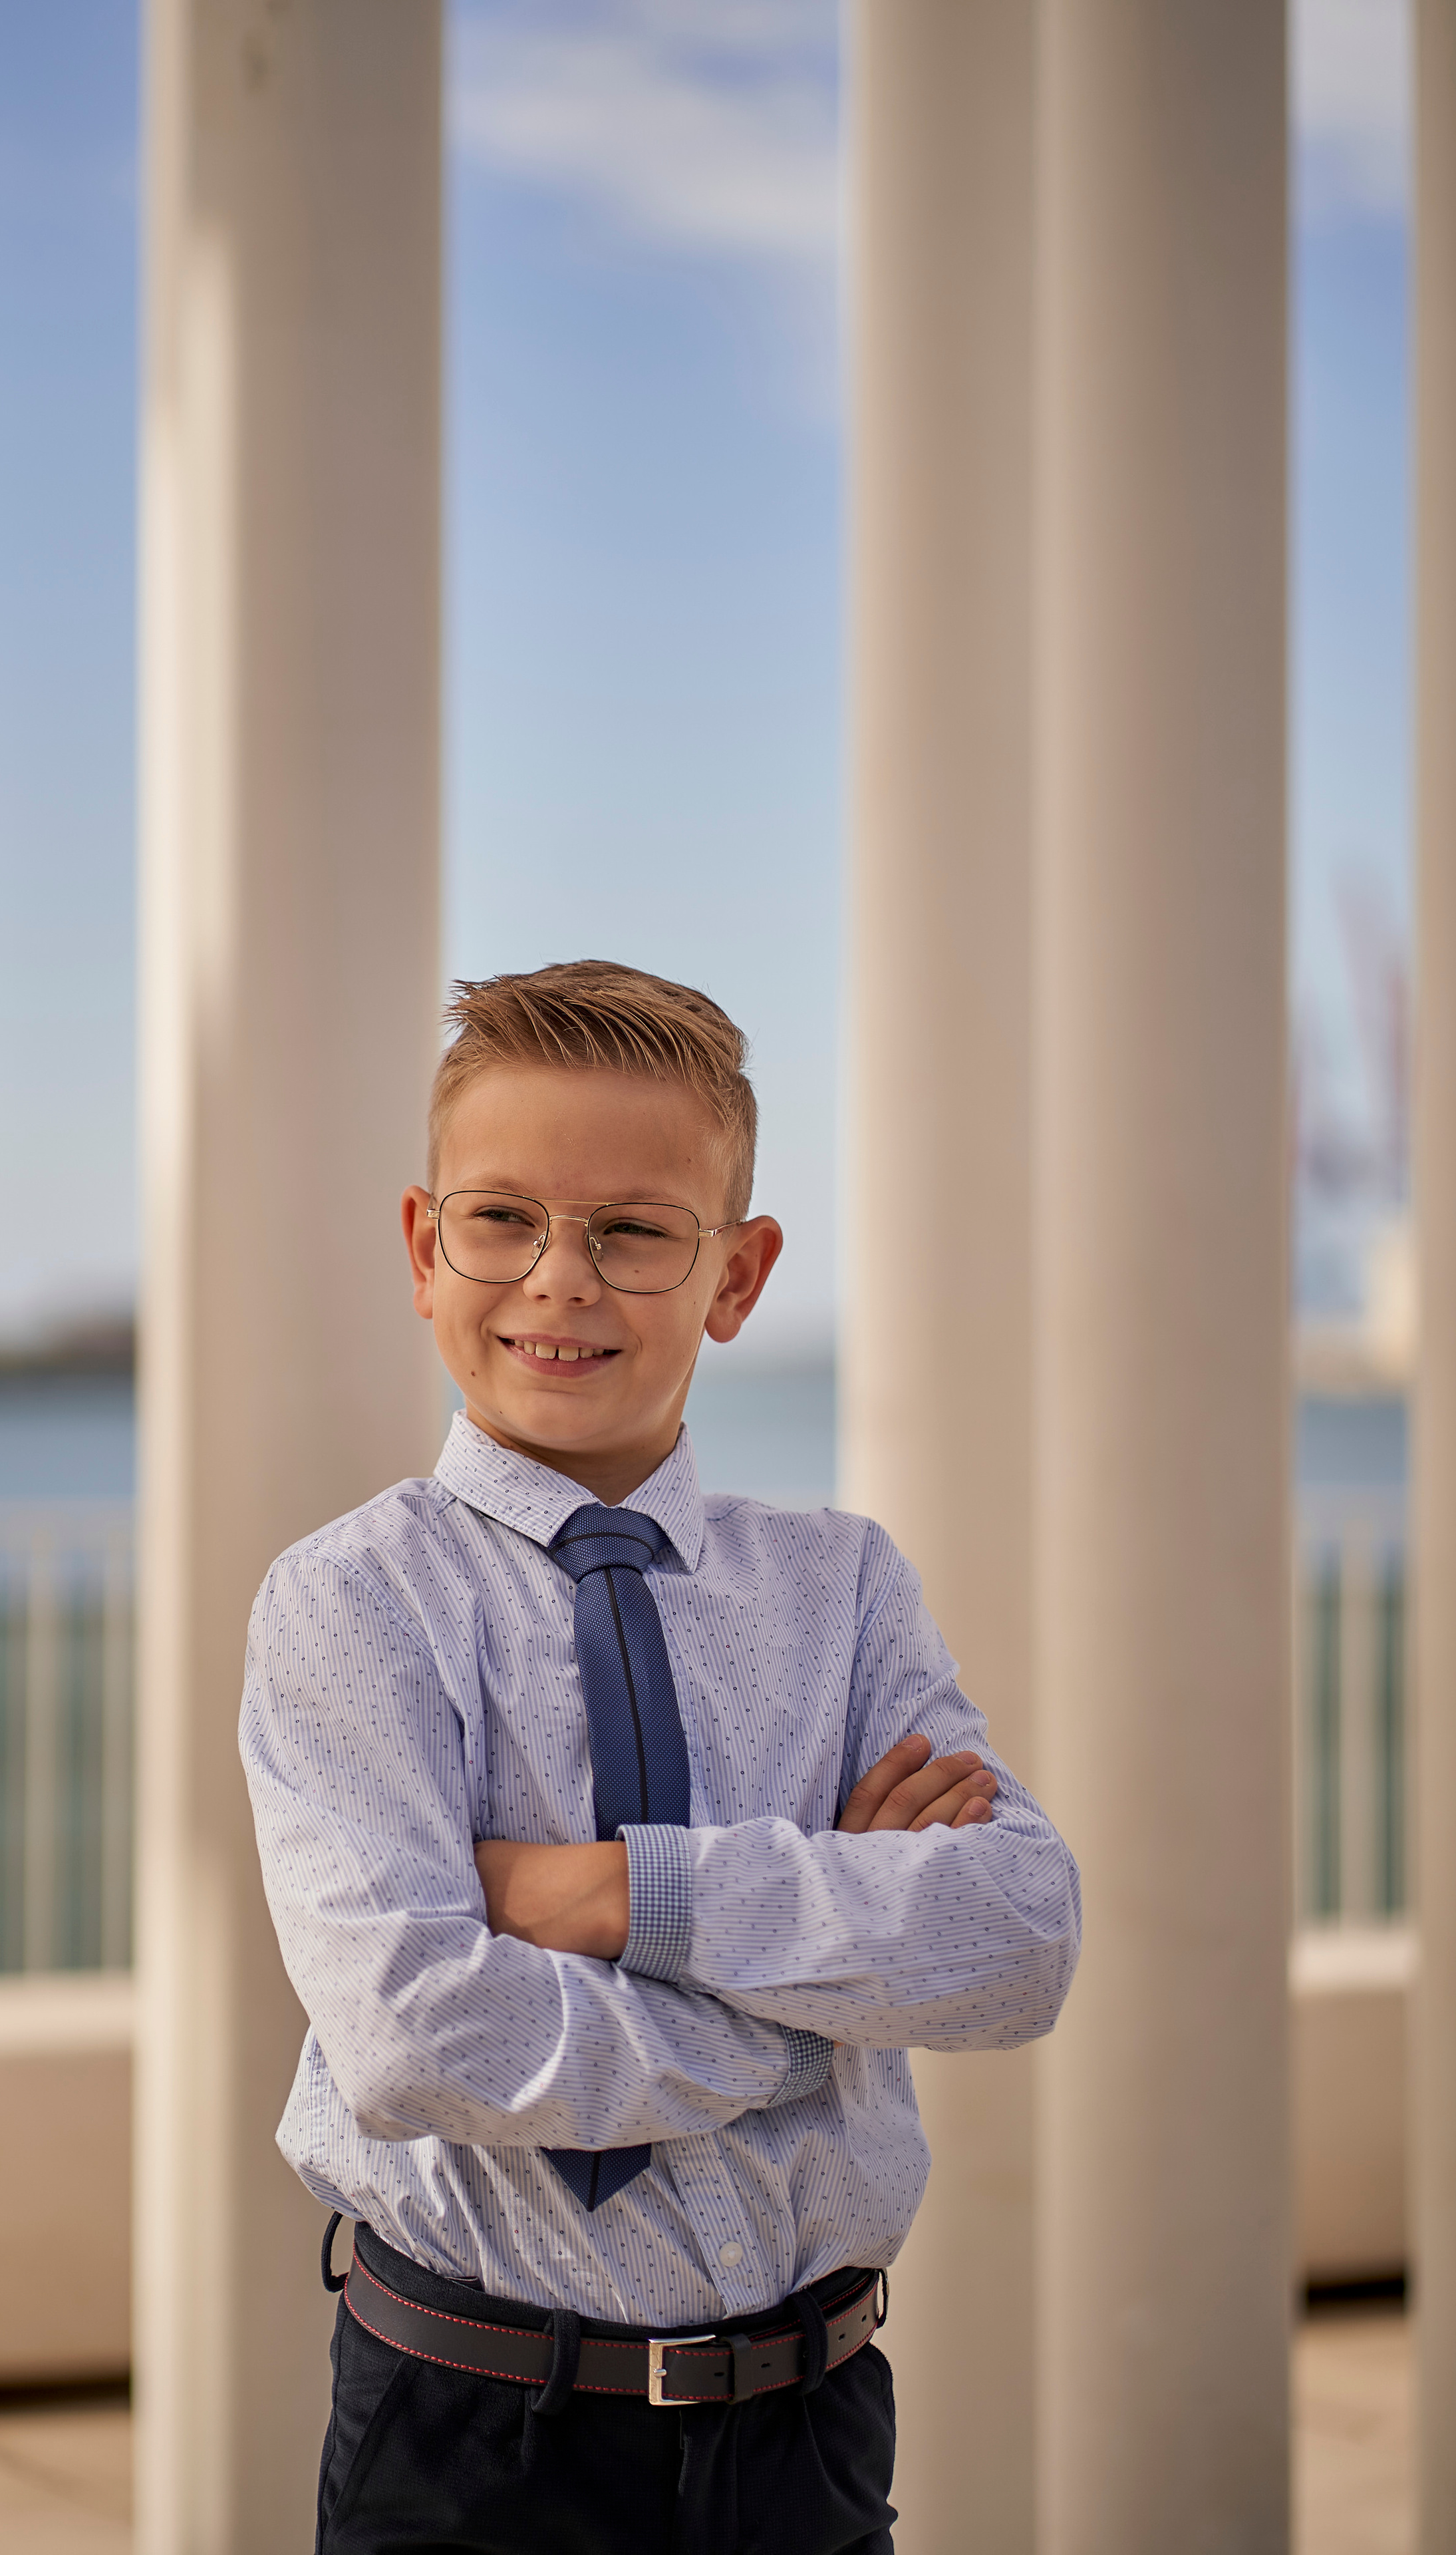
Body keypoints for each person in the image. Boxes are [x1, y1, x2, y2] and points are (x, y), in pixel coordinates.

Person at [240, 959, 1081, 2555]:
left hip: (809, 2437)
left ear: (737, 1276)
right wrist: (807, 2017)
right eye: (501, 1220)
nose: (560, 1279)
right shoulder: (349, 1603)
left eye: (632, 1232)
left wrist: (617, 1896)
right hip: (474, 2442)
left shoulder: (839, 1589)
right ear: (425, 1250)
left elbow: (1016, 1940)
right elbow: (416, 2038)